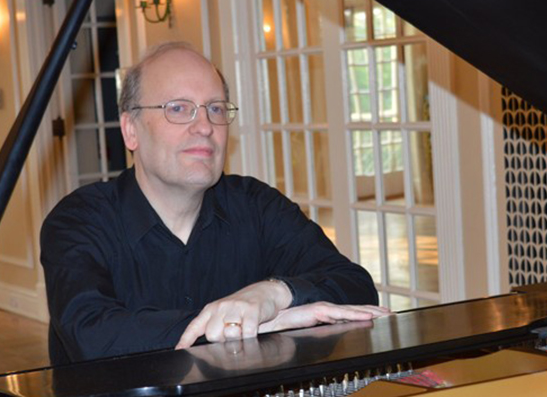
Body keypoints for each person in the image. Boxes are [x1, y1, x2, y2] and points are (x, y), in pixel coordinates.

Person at [40, 41, 388, 364]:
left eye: (215, 109)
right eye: (179, 109)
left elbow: (355, 286)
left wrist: (275, 295)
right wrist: (255, 325)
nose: (204, 126)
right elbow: (93, 336)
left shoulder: (256, 205)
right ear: (131, 129)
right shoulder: (77, 221)